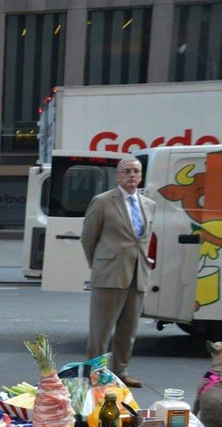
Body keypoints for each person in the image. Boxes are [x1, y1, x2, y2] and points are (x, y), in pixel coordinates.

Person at [81, 157, 154, 388]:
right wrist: (100, 265)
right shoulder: (103, 201)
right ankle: (95, 374)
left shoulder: (148, 204)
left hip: (138, 274)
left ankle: (121, 371)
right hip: (110, 273)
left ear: (141, 176)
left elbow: (144, 239)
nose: (132, 175)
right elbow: (88, 238)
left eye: (136, 171)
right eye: (127, 171)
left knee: (129, 329)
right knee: (101, 330)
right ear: (117, 176)